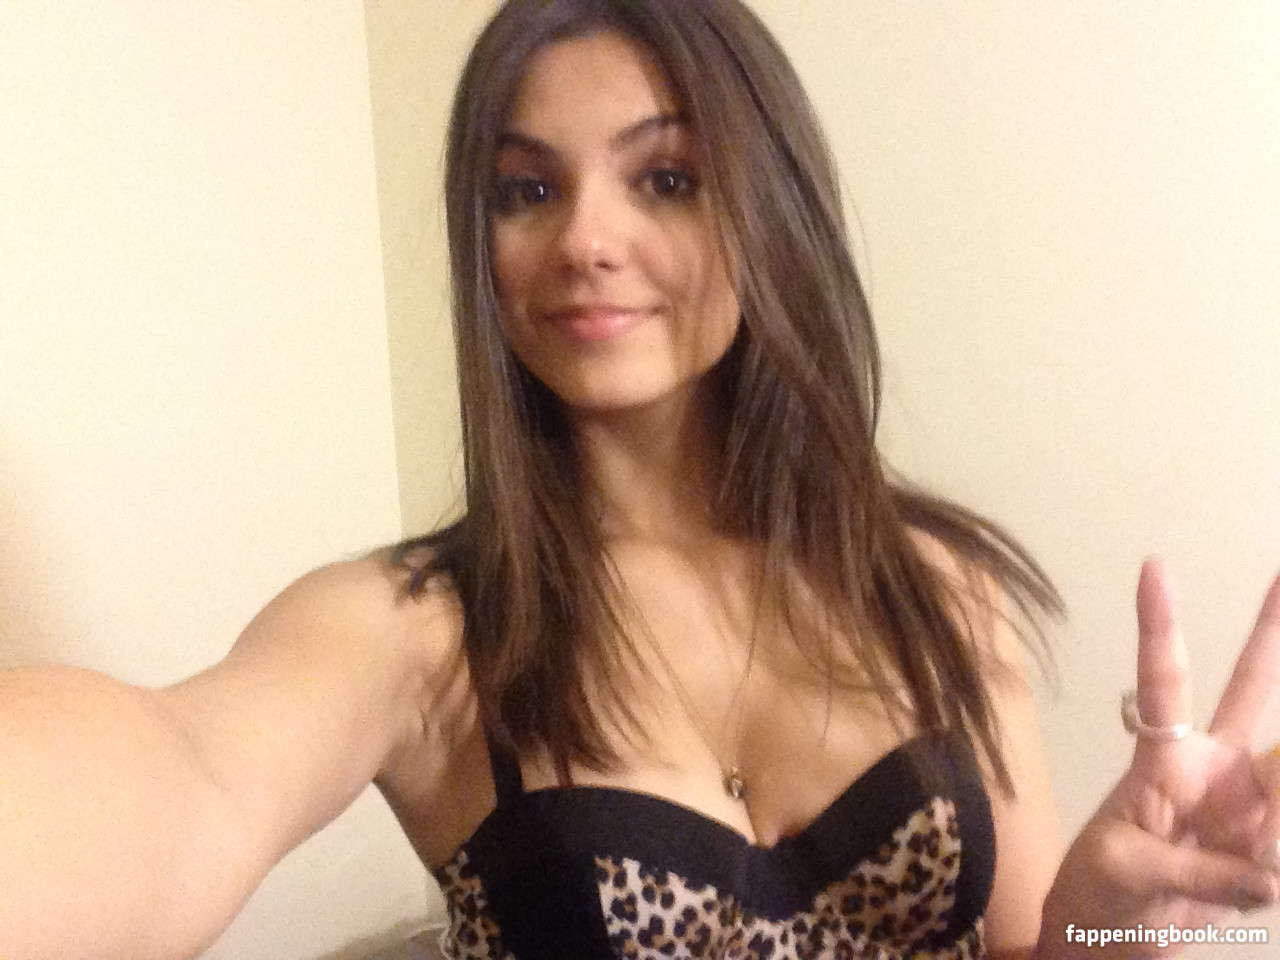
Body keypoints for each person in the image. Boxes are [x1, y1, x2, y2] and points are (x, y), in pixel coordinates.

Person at [2, 1, 1278, 958]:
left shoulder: (932, 589)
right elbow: (184, 770)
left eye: (663, 178)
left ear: (766, 211)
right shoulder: (416, 635)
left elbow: (1043, 948)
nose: (584, 239)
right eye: (525, 190)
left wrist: (1118, 927)